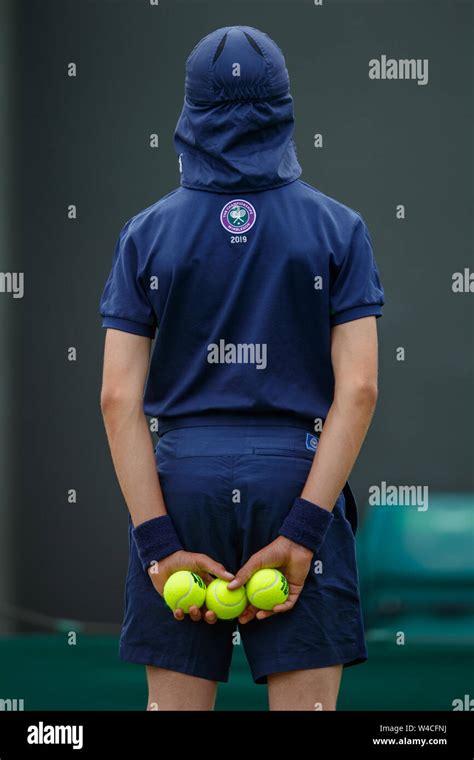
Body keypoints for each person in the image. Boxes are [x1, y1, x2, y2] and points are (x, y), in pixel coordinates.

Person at [99, 25, 384, 711]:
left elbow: (116, 398)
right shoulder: (339, 228)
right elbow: (362, 388)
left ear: (190, 110)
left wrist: (160, 547)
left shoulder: (146, 233)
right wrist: (304, 532)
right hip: (297, 475)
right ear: (284, 105)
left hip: (181, 482)